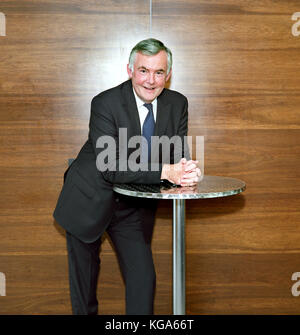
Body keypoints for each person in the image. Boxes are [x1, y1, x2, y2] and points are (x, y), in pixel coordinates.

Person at [53, 38, 200, 315]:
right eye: (144, 70)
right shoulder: (105, 102)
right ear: (130, 70)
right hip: (88, 199)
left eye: (159, 72)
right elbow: (110, 165)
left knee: (143, 280)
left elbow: (177, 153)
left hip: (133, 205)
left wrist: (187, 170)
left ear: (167, 75)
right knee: (85, 295)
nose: (150, 80)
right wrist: (167, 171)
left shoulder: (177, 103)